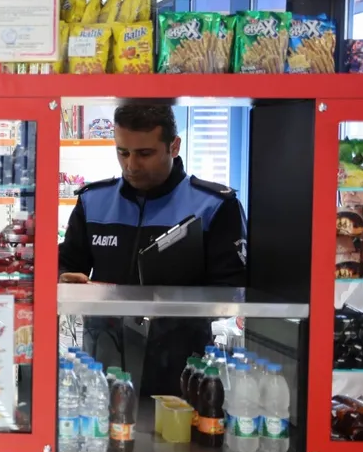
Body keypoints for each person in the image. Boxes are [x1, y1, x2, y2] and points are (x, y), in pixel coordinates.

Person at [58, 104, 247, 394]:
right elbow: (66, 264)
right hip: (104, 362)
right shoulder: (92, 202)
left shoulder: (214, 206)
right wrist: (65, 279)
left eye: (144, 153)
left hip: (183, 366)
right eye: (122, 152)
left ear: (174, 146)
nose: (131, 165)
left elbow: (234, 290)